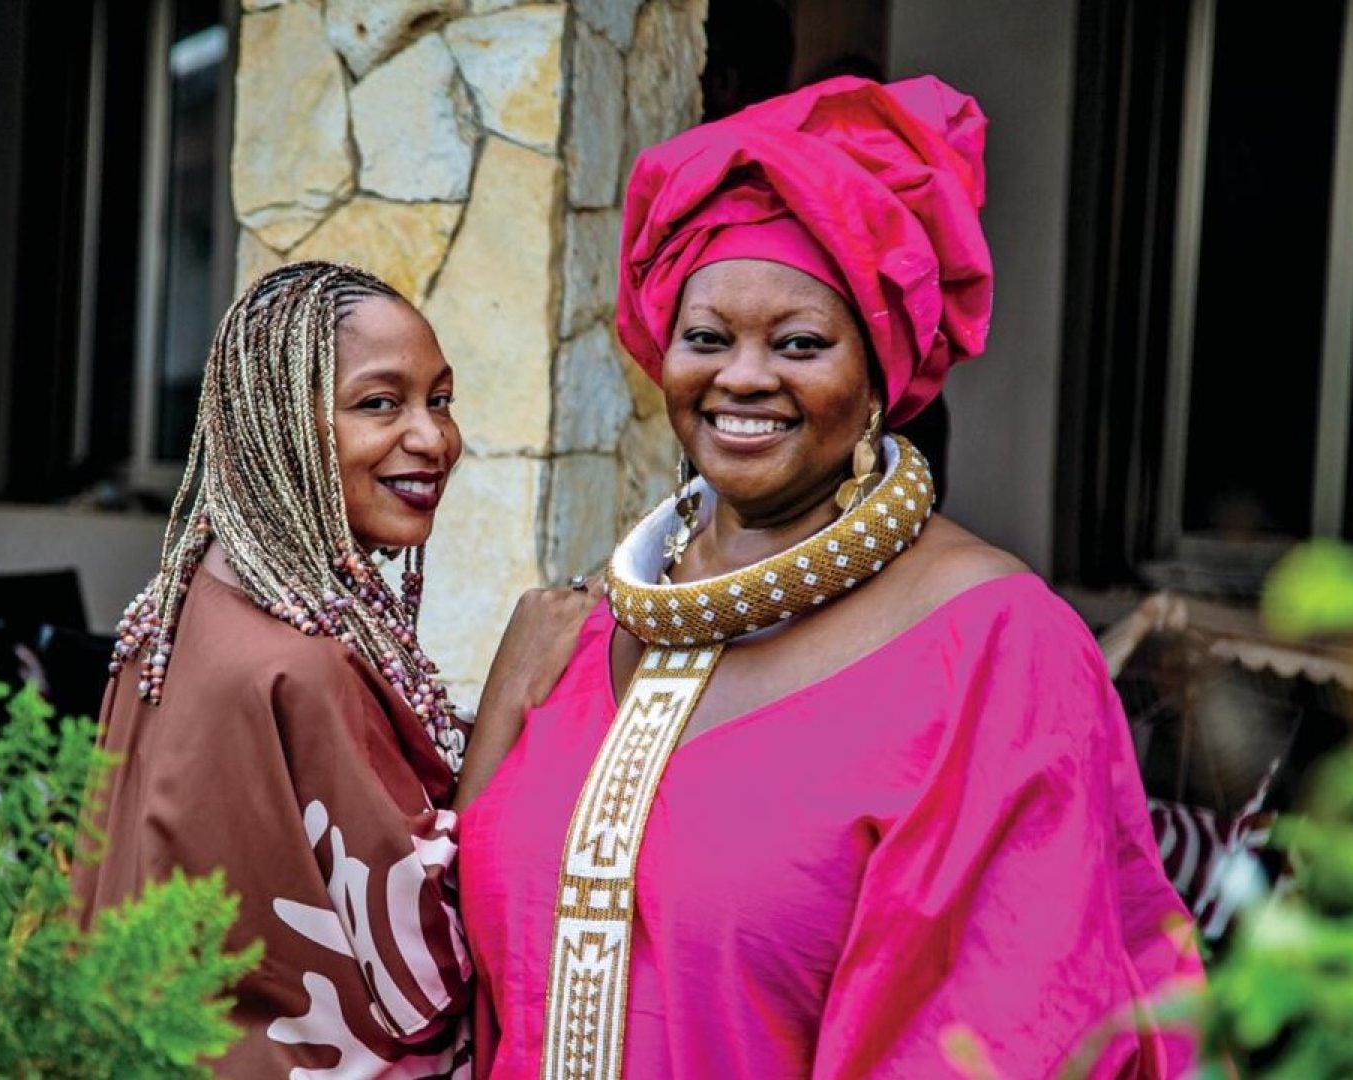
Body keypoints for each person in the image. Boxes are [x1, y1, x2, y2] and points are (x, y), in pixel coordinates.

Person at [458, 76, 1202, 1078]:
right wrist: (503, 709)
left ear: (879, 376)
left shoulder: (997, 655)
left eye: (799, 342)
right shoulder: (592, 629)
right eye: (706, 337)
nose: (744, 377)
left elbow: (1004, 1035)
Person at [74, 262, 489, 1077]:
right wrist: (518, 686)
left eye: (438, 399)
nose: (432, 438)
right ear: (279, 424)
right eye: (380, 403)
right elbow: (425, 967)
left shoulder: (177, 606)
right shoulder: (303, 664)